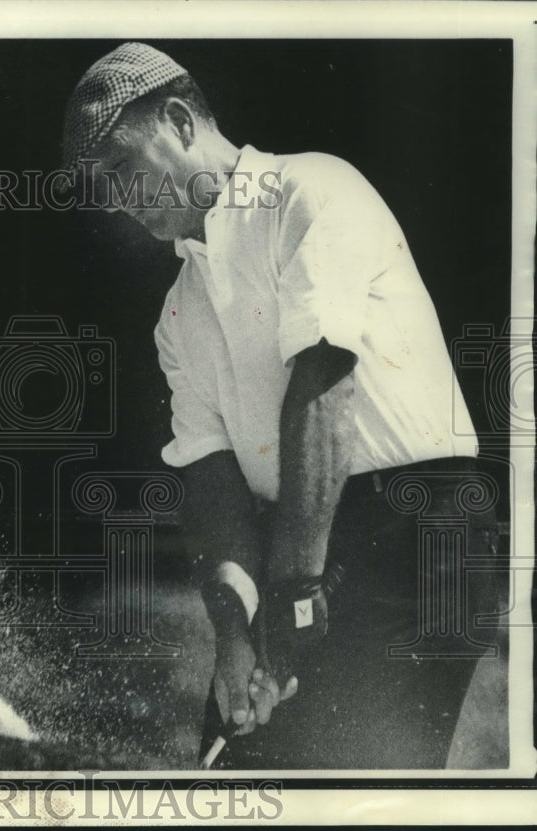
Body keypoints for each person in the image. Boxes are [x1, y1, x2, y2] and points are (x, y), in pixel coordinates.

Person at [58, 42, 502, 769]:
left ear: (179, 120)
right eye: (96, 186)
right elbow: (210, 474)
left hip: (417, 536)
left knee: (341, 801)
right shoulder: (177, 313)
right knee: (231, 787)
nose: (112, 198)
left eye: (121, 170)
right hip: (303, 544)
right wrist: (234, 631)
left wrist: (295, 589)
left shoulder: (311, 189)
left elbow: (324, 385)